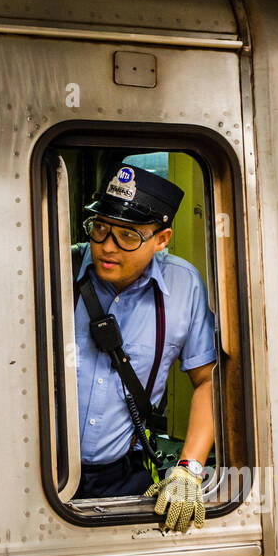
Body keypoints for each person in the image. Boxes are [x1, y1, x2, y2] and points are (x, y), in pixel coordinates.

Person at [72, 157, 218, 532]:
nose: (107, 247)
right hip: (44, 471)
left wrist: (189, 470)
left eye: (127, 235)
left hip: (123, 472)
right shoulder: (58, 267)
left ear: (161, 239)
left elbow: (207, 381)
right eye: (101, 228)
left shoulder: (184, 286)